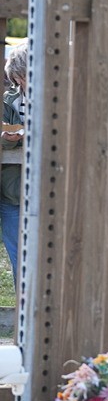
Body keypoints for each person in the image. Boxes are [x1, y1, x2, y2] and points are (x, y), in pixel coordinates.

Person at [1, 43, 28, 284]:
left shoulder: (59, 99)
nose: (21, 82)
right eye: (18, 77)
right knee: (20, 261)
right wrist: (7, 139)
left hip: (49, 193)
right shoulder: (7, 100)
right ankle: (25, 303)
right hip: (11, 194)